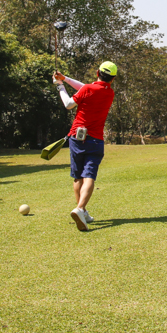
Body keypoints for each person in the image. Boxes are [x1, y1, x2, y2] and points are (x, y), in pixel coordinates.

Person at [53, 61, 117, 231]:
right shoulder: (109, 93)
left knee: (77, 176)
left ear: (97, 72)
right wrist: (65, 79)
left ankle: (81, 209)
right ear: (113, 79)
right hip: (95, 140)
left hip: (76, 137)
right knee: (89, 175)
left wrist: (60, 85)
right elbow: (85, 88)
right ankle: (81, 209)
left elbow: (68, 104)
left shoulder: (88, 90)